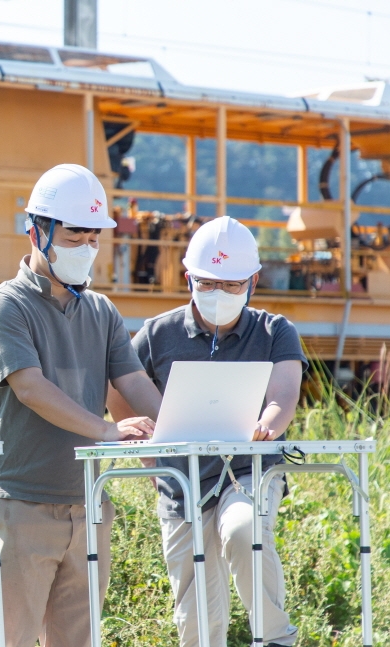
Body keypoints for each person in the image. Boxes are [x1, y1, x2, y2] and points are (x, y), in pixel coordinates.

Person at [0, 164, 163, 647]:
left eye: (93, 238)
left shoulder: (101, 310)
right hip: (21, 502)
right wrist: (106, 430)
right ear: (36, 232)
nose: (86, 247)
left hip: (88, 504)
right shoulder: (4, 306)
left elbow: (133, 380)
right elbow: (31, 388)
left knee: (78, 639)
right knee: (11, 638)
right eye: (74, 235)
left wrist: (183, 427)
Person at [107, 216, 305, 647]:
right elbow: (117, 388)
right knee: (196, 613)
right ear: (189, 279)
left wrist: (267, 425)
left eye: (232, 285)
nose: (220, 294)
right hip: (181, 482)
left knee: (243, 530)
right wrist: (148, 454)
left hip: (249, 470)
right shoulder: (157, 334)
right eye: (208, 283)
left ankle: (275, 637)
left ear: (252, 282)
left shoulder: (274, 330)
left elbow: (284, 393)